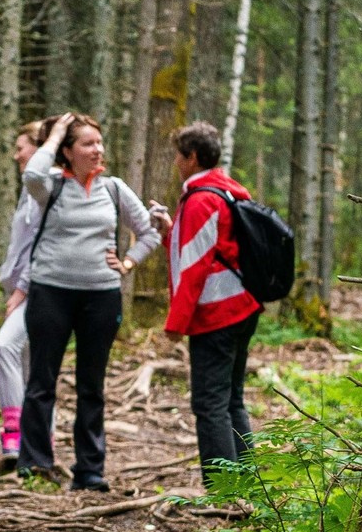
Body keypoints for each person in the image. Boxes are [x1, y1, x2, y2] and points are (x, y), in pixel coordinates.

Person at [18, 112, 162, 491]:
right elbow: (30, 175)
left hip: (101, 296)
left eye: (99, 142)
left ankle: (90, 470)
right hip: (50, 292)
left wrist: (128, 263)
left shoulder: (113, 188)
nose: (98, 149)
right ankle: (35, 465)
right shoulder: (51, 185)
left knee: (91, 385)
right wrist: (54, 138)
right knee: (41, 380)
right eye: (87, 143)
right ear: (68, 151)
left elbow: (149, 233)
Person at [165, 119, 265, 483]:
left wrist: (176, 325)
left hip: (217, 313)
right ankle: (248, 486)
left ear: (192, 157)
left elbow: (193, 267)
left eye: (178, 155)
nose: (175, 162)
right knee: (231, 399)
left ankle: (224, 492)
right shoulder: (229, 191)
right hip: (243, 305)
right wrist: (168, 233)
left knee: (209, 404)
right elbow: (210, 250)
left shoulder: (201, 200)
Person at [0, 120, 48, 462]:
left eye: (21, 147)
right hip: (22, 287)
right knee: (28, 364)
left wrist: (22, 289)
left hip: (37, 289)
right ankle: (39, 442)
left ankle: (14, 432)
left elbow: (42, 244)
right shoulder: (28, 189)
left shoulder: (44, 188)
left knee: (4, 347)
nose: (16, 156)